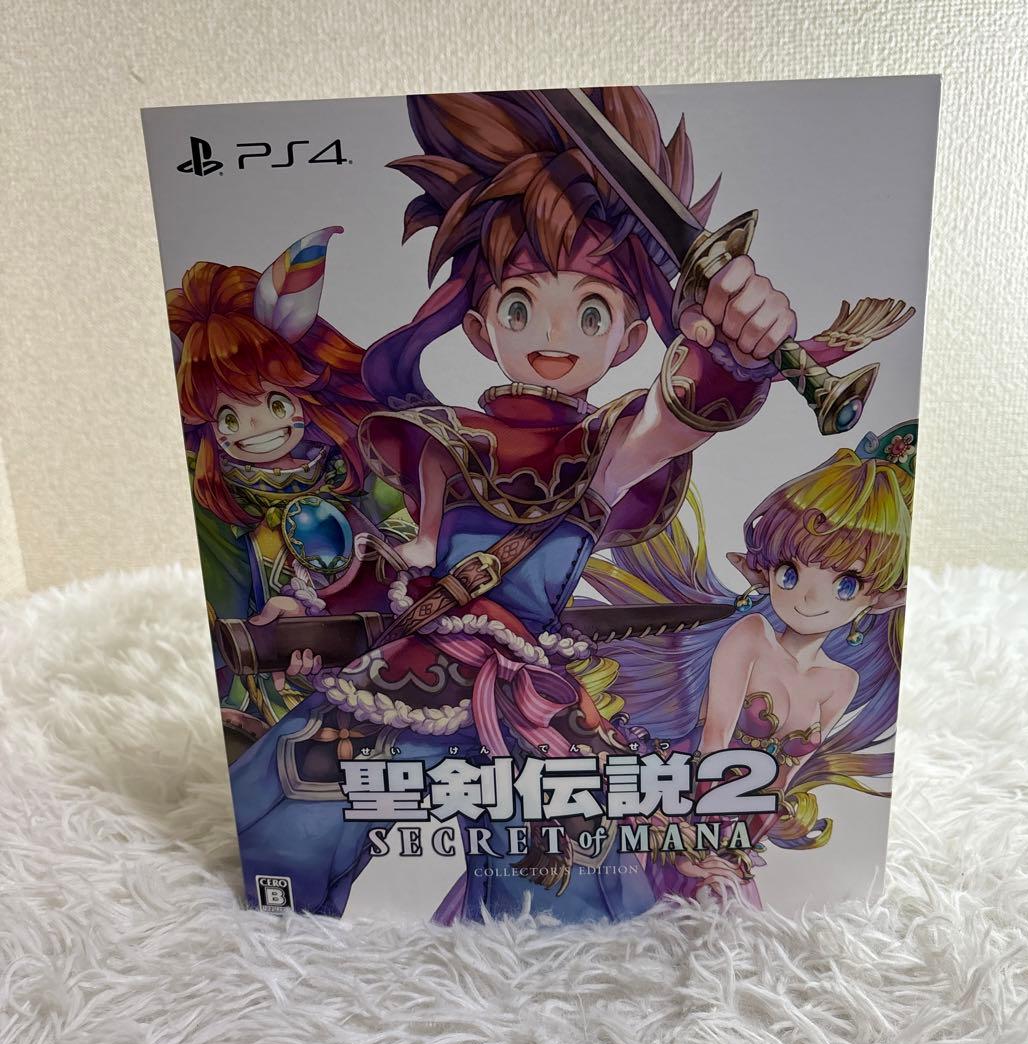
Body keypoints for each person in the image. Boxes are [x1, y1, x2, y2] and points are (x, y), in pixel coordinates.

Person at [231, 88, 907, 921]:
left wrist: (731, 350)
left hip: (529, 708)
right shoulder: (442, 437)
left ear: (629, 338)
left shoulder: (605, 449)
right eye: (521, 306)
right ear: (481, 326)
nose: (553, 334)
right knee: (285, 832)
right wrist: (321, 611)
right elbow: (422, 560)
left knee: (555, 903)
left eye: (590, 311)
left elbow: (678, 416)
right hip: (409, 675)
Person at [586, 424, 916, 905]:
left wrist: (738, 845)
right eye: (790, 572)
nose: (808, 598)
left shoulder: (840, 681)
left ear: (880, 598)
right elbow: (714, 741)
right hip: (675, 807)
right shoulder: (752, 636)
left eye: (845, 584)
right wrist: (697, 841)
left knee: (734, 913)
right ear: (764, 571)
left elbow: (785, 777)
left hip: (736, 827)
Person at [168, 227, 408, 753]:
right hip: (280, 693)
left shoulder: (358, 472)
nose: (256, 427)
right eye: (229, 416)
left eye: (274, 404)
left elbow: (415, 553)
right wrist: (270, 637)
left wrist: (329, 607)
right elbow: (222, 613)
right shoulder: (217, 504)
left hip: (393, 666)